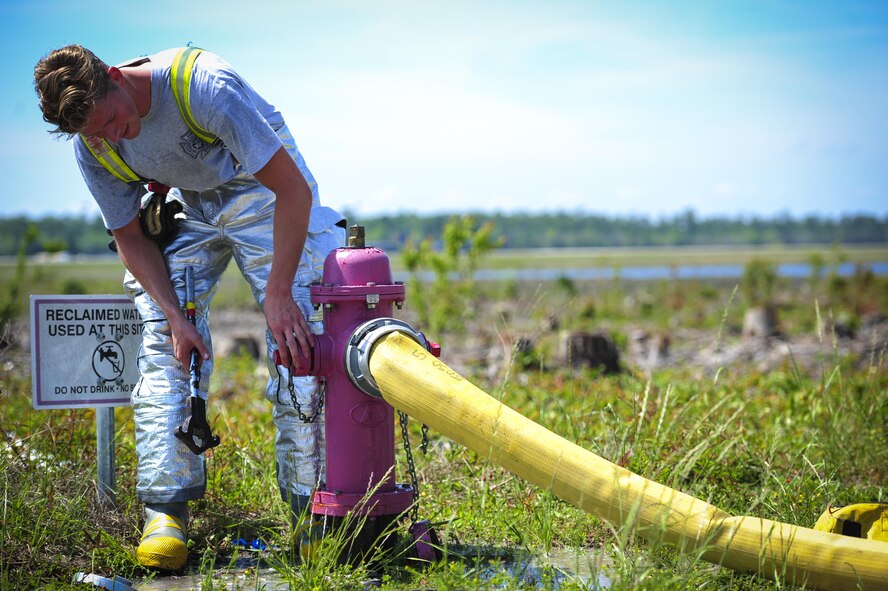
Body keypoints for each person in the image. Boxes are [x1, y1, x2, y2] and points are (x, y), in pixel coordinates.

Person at [34, 45, 345, 570]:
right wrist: (177, 318)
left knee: (302, 337)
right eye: (95, 133)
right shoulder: (95, 144)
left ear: (116, 77)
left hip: (266, 190)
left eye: (111, 118)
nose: (112, 136)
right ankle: (165, 514)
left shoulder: (204, 89)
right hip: (190, 206)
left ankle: (313, 513)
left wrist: (278, 295)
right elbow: (130, 236)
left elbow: (293, 191)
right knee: (162, 341)